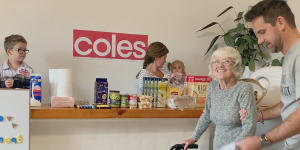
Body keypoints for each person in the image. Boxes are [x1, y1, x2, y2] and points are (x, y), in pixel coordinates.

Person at [236, 0, 300, 150]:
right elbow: (288, 103)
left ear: (280, 22)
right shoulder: (291, 56)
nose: (259, 41)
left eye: (262, 32)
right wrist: (259, 115)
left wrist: (262, 140)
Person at [182, 46, 257, 150]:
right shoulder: (212, 86)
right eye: (216, 61)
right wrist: (194, 137)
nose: (220, 65)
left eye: (226, 61)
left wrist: (234, 147)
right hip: (218, 146)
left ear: (235, 66)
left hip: (239, 147)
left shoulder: (244, 89)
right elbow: (207, 114)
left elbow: (249, 126)